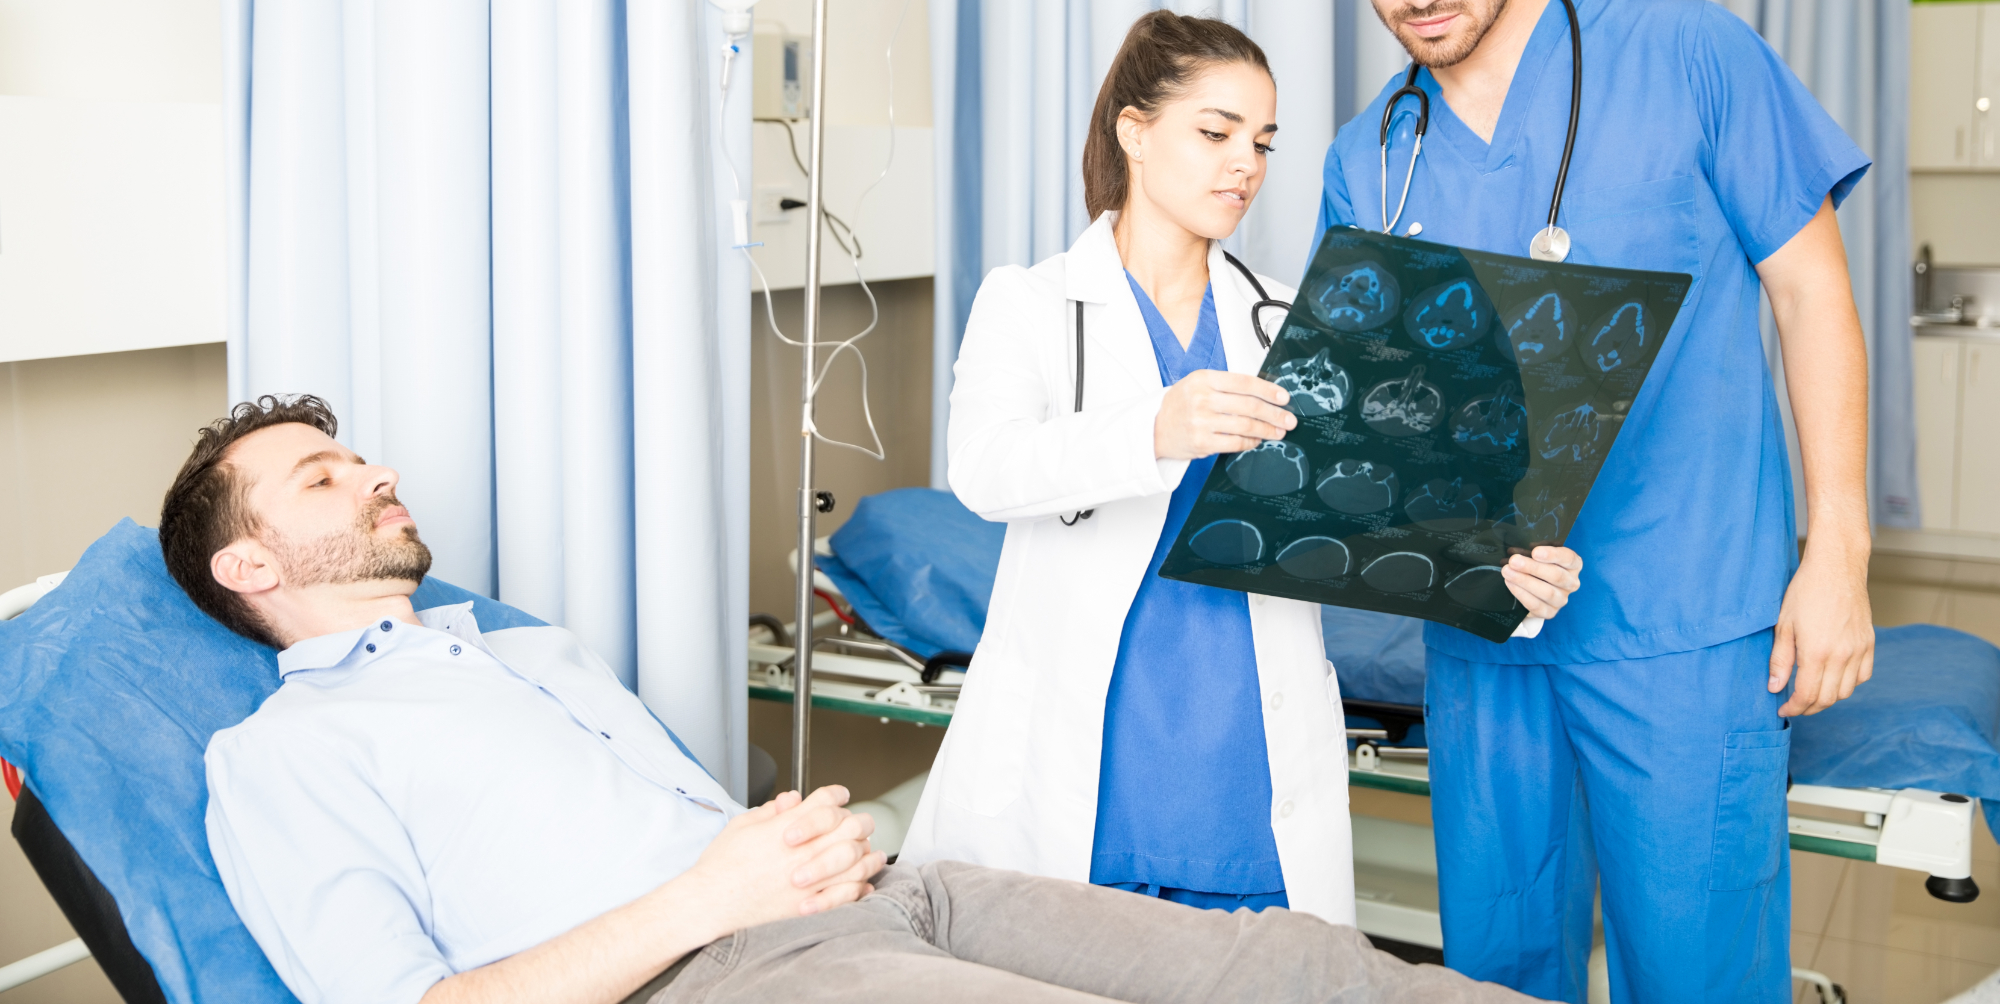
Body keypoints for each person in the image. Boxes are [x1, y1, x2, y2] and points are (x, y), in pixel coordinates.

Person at [161, 394, 1543, 1004]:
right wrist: (715, 895)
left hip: (887, 895)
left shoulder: (516, 650)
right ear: (250, 560)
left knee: (1289, 968)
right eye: (323, 478)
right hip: (712, 975)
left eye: (359, 455)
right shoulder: (284, 752)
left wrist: (784, 854)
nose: (375, 474)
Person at [1318, 0, 1876, 1003]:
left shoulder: (1689, 57)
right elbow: (1383, 420)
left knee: (1697, 972)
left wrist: (1837, 548)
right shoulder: (1369, 156)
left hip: (1681, 618)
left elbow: (1812, 300)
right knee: (1499, 971)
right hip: (1483, 639)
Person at [900, 12, 1583, 919]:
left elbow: (1375, 520)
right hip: (1089, 763)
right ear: (1134, 131)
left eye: (1261, 142)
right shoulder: (1028, 304)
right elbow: (986, 469)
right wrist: (1155, 426)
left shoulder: (1293, 324)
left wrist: (1505, 581)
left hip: (1244, 771)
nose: (1246, 165)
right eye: (1216, 133)